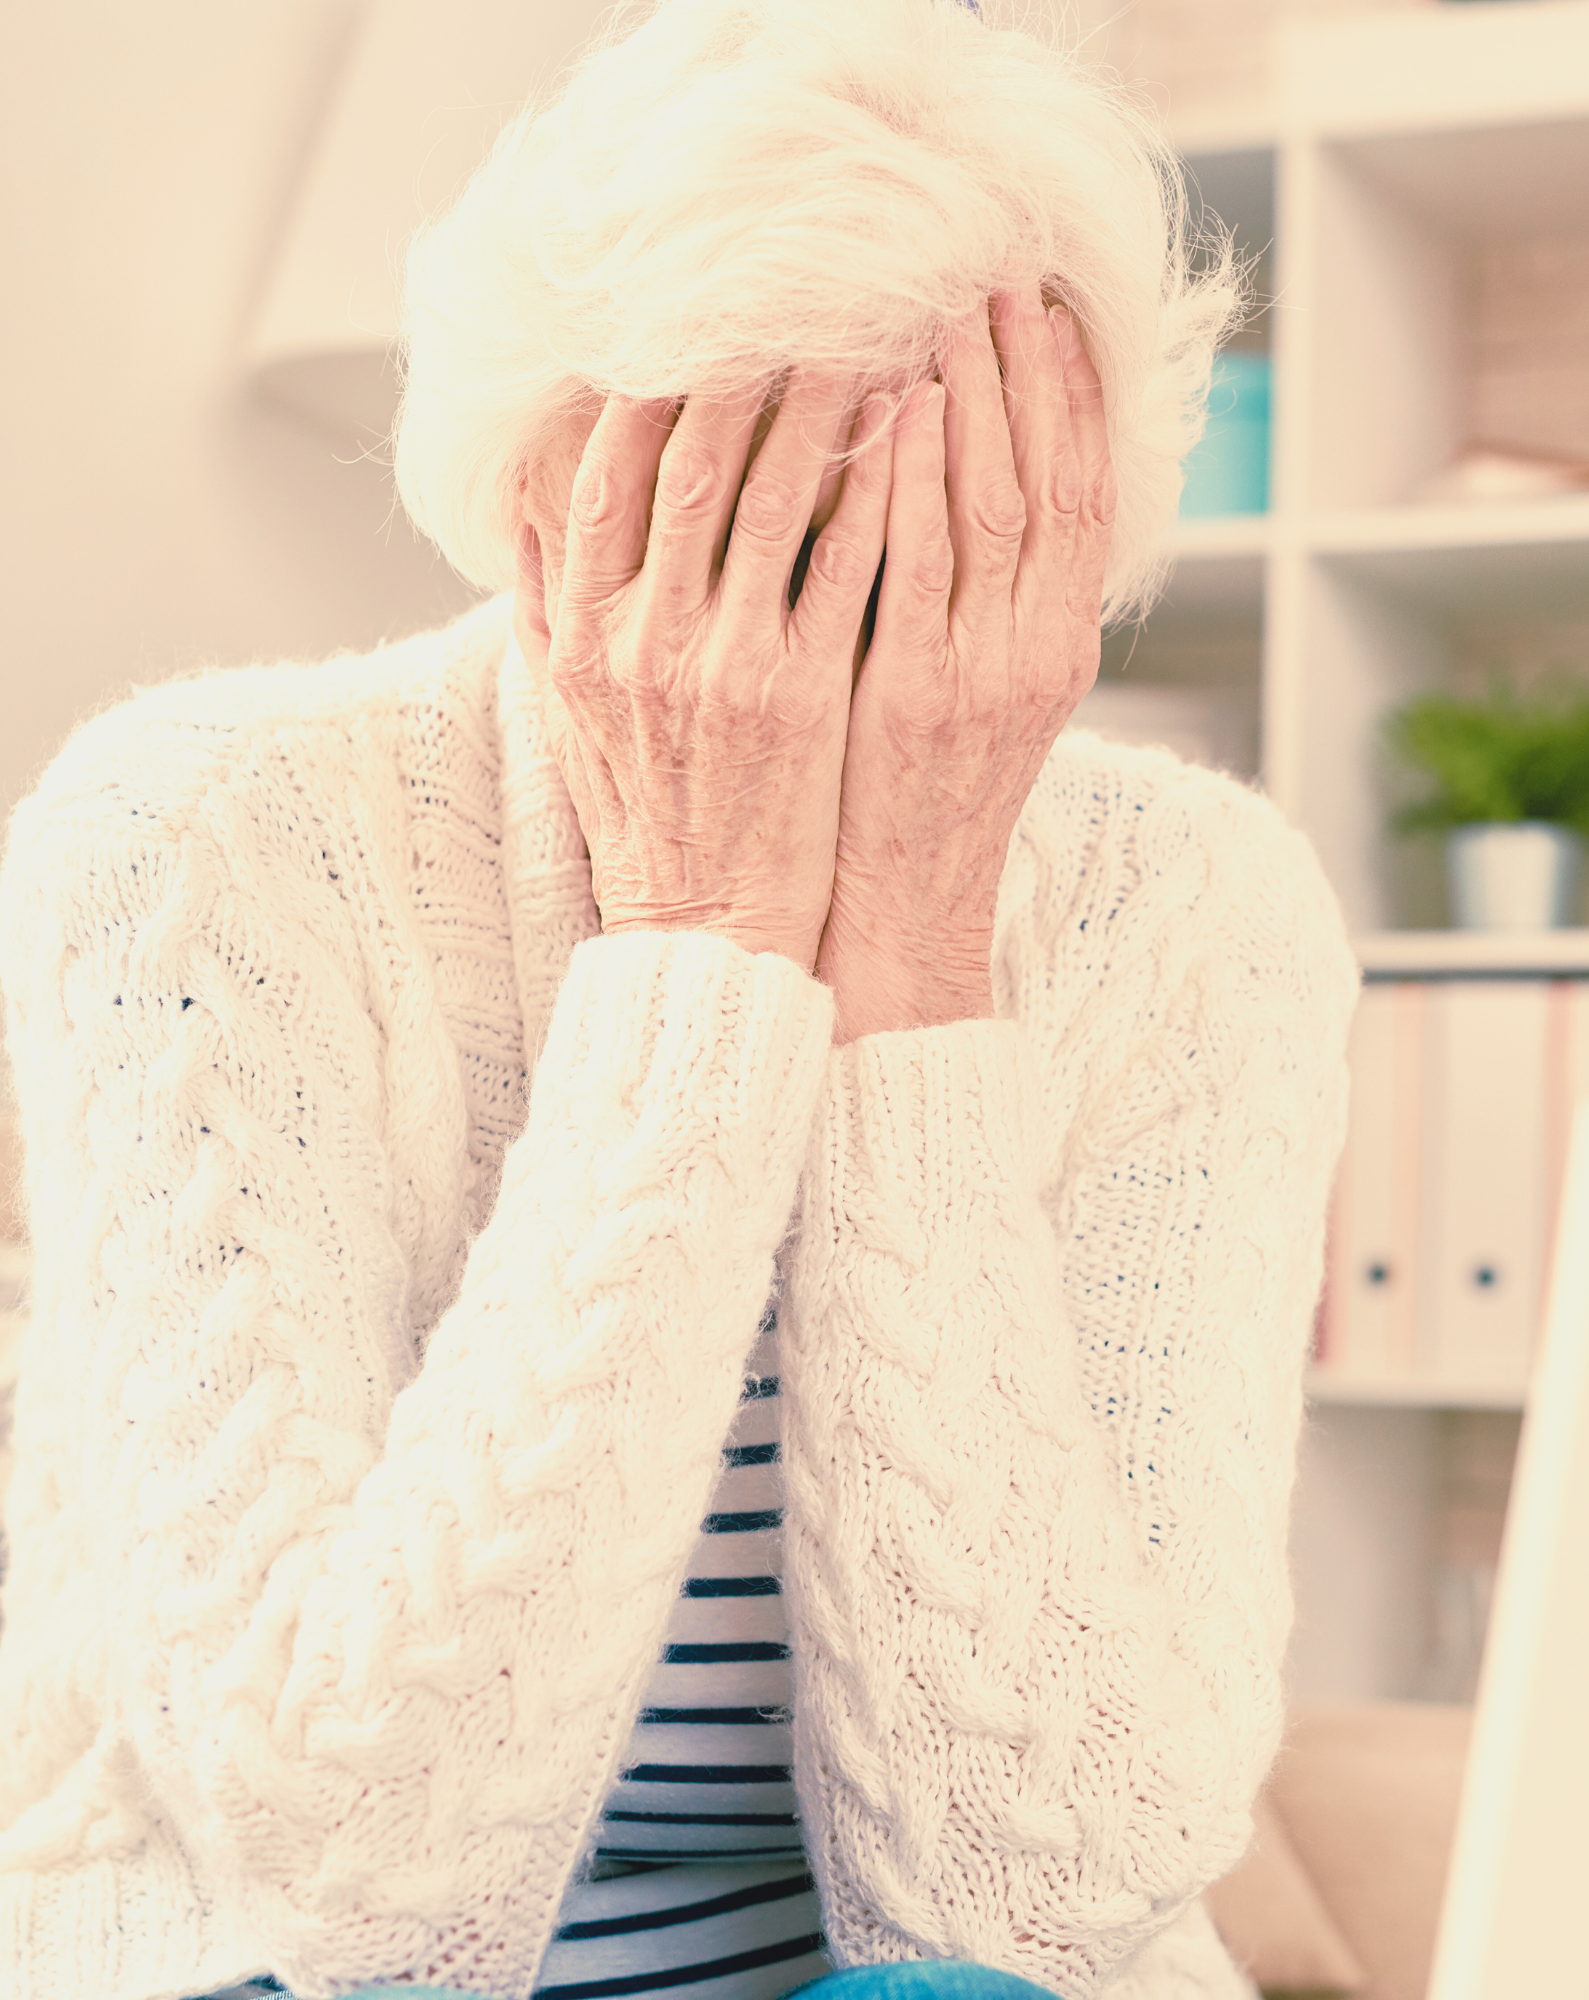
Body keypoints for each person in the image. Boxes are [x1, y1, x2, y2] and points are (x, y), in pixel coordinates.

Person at [0, 0, 1358, 1996]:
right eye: (746, 537)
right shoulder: (200, 831)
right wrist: (700, 954)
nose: (813, 648)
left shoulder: (1199, 908)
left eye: (931, 554)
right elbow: (356, 1877)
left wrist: (904, 961)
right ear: (544, 504)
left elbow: (1049, 1909)